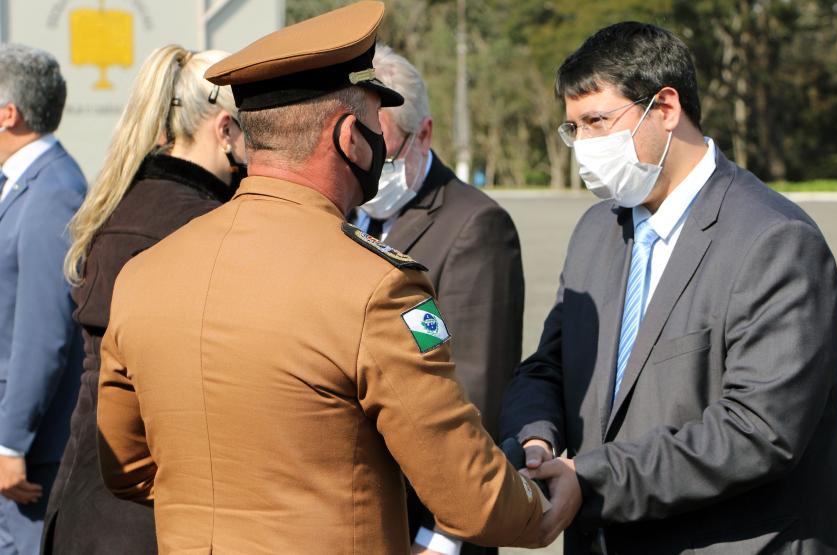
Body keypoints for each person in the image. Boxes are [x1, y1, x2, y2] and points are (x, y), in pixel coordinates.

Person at [94, 2, 566, 553]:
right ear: (349, 136)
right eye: (375, 126)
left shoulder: (146, 273)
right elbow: (474, 500)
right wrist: (545, 503)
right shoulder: (380, 287)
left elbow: (125, 465)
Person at [501, 21, 837, 554]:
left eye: (597, 121)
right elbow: (551, 365)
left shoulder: (774, 241)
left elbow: (758, 430)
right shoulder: (596, 231)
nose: (583, 146)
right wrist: (537, 440)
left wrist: (592, 478)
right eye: (573, 128)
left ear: (666, 109)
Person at [40, 46, 243, 555]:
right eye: (252, 129)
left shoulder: (124, 203)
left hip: (83, 504)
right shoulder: (200, 226)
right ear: (224, 130)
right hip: (146, 518)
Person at [354, 44, 525, 555]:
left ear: (423, 134)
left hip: (427, 525)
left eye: (382, 148)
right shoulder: (349, 212)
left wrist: (445, 536)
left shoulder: (475, 226)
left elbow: (476, 388)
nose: (367, 164)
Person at [0, 44, 87, 554]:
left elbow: (43, 332)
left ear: (8, 114)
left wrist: (10, 443)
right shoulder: (23, 183)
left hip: (29, 449)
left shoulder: (51, 190)